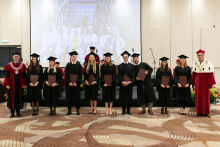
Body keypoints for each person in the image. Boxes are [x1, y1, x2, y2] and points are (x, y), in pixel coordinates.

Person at [192, 49, 216, 118]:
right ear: (197, 56)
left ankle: (206, 112)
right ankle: (199, 112)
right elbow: (193, 73)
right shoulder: (195, 63)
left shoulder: (208, 63)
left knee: (206, 96)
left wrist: (211, 83)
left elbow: (210, 73)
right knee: (198, 96)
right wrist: (193, 83)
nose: (200, 56)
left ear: (204, 55)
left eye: (201, 55)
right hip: (197, 81)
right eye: (199, 55)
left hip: (205, 81)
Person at [3, 52, 27, 118]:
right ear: (13, 57)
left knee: (19, 97)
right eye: (15, 56)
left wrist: (24, 84)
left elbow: (24, 76)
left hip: (19, 85)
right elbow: (6, 75)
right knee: (12, 98)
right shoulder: (9, 65)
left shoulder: (22, 65)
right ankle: (12, 112)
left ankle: (18, 112)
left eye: (17, 56)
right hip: (11, 85)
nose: (16, 58)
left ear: (19, 57)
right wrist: (7, 84)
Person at [118, 51, 135, 115]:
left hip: (129, 85)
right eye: (124, 57)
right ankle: (123, 110)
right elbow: (119, 75)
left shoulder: (132, 66)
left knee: (129, 97)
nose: (125, 58)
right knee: (123, 97)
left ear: (128, 58)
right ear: (123, 58)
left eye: (126, 57)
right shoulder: (120, 66)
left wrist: (129, 81)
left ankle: (128, 110)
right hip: (123, 85)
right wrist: (123, 82)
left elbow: (133, 75)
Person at [65, 51, 82, 115]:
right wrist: (69, 82)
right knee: (69, 97)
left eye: (75, 57)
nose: (74, 58)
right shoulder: (68, 65)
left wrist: (77, 82)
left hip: (76, 85)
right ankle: (69, 110)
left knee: (77, 97)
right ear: (71, 57)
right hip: (69, 84)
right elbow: (66, 75)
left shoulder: (79, 66)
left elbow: (80, 75)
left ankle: (78, 110)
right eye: (73, 56)